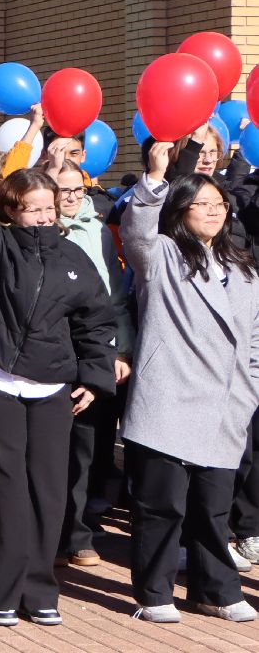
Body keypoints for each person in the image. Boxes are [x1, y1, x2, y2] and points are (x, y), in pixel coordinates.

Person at [0, 109, 115, 627]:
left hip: (52, 384)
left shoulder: (73, 258)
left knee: (47, 487)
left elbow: (95, 320)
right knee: (3, 486)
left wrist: (94, 375)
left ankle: (42, 591)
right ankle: (0, 590)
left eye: (49, 207)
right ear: (11, 212)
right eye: (32, 208)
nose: (43, 215)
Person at [121, 141, 259, 623]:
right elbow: (136, 231)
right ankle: (155, 593)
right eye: (201, 203)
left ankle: (217, 590)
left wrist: (250, 385)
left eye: (219, 204)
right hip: (169, 398)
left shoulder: (243, 269)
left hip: (226, 404)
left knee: (213, 507)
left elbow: (255, 337)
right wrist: (155, 177)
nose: (213, 212)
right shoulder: (161, 256)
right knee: (162, 507)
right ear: (180, 209)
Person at [50, 158, 135, 568]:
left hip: (92, 351)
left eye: (76, 190)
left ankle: (79, 533)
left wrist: (120, 351)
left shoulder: (99, 231)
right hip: (46, 353)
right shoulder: (32, 227)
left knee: (85, 447)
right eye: (61, 189)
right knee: (47, 448)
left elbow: (115, 297)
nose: (69, 197)